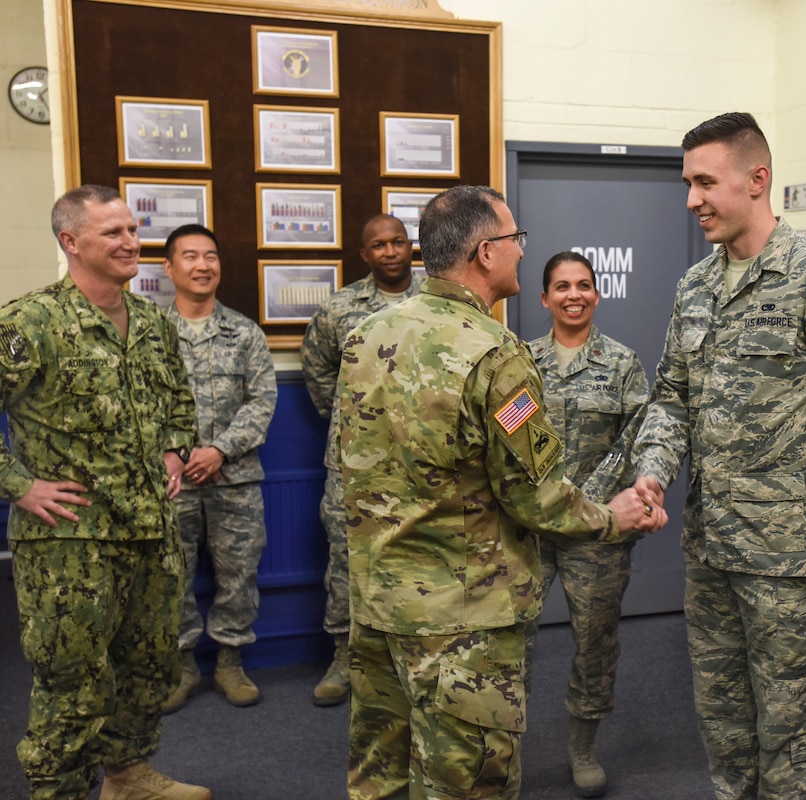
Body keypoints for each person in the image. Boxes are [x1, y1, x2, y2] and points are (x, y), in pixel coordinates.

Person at [338, 185, 668, 800]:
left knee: (380, 776)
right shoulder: (497, 354)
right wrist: (612, 516)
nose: (521, 251)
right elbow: (534, 496)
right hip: (462, 618)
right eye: (516, 240)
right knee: (466, 783)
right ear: (486, 252)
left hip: (378, 603)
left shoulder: (367, 336)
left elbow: (347, 465)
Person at [632, 113, 806, 800]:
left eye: (704, 182)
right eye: (687, 183)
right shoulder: (696, 287)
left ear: (757, 180)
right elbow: (671, 400)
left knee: (793, 735)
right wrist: (652, 474)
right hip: (711, 548)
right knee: (722, 723)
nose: (691, 199)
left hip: (791, 562)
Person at [0, 185, 207, 799]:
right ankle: (58, 791)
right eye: (112, 232)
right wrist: (19, 485)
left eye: (131, 228)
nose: (130, 241)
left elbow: (177, 400)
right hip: (69, 542)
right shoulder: (29, 322)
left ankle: (128, 776)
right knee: (73, 682)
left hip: (149, 531)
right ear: (70, 242)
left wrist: (174, 446)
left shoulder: (149, 320)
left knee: (148, 669)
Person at [524, 251, 650, 797]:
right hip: (528, 527)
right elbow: (512, 435)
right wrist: (547, 498)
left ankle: (582, 747)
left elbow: (638, 437)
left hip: (597, 531)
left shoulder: (622, 364)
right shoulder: (521, 362)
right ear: (545, 298)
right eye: (561, 286)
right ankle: (502, 748)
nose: (573, 295)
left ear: (597, 295)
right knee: (508, 640)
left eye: (583, 285)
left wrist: (586, 501)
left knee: (594, 642)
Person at [300, 213, 425, 706]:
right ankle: (344, 658)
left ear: (411, 247)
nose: (390, 251)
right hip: (352, 462)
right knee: (347, 558)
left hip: (419, 461)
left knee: (415, 555)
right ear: (365, 254)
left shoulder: (434, 301)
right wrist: (356, 422)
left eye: (398, 242)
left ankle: (408, 656)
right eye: (379, 245)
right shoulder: (340, 308)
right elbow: (317, 372)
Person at [160, 224, 278, 713]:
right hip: (170, 479)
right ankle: (182, 665)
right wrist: (173, 450)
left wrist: (219, 451)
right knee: (171, 574)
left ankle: (230, 662)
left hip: (235, 477)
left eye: (210, 256)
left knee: (238, 574)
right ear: (169, 268)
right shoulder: (150, 333)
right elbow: (141, 400)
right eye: (190, 256)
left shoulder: (245, 332)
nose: (203, 265)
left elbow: (262, 399)